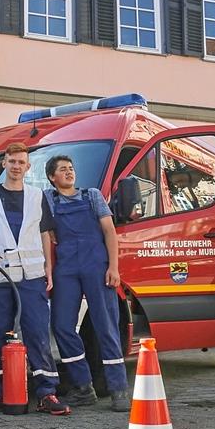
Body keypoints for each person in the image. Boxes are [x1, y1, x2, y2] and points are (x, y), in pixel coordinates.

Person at [0, 143, 69, 416]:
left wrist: (49, 270)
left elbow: (44, 236)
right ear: (4, 163)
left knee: (38, 332)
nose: (16, 166)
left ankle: (46, 392)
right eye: (12, 161)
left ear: (28, 167)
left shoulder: (37, 196)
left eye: (21, 162)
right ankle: (0, 391)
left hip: (31, 276)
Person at [43, 155, 130, 412]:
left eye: (71, 168)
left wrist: (114, 267)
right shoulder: (49, 199)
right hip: (66, 270)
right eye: (62, 170)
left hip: (96, 267)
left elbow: (109, 231)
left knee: (106, 326)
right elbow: (45, 232)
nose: (69, 172)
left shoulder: (92, 196)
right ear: (52, 177)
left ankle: (118, 389)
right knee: (61, 326)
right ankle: (83, 386)